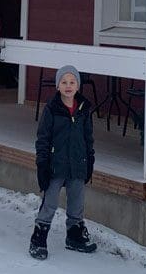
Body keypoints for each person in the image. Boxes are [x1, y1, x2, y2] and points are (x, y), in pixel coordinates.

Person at [29, 65, 97, 259]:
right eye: (64, 82)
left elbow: (88, 138)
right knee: (50, 203)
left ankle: (75, 236)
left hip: (77, 164)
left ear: (78, 85)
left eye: (72, 82)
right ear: (58, 86)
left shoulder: (84, 109)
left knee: (77, 202)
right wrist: (42, 164)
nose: (68, 86)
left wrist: (89, 159)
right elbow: (43, 138)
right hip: (54, 166)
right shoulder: (52, 109)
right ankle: (39, 239)